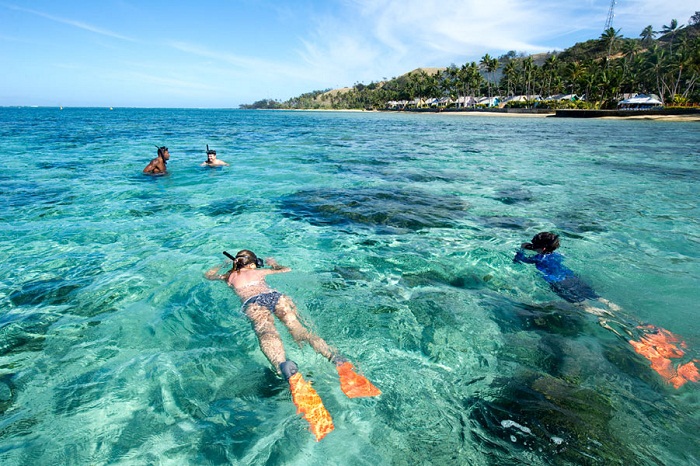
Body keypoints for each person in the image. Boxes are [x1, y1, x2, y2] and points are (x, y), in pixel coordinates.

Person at [205, 249, 380, 440]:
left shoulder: (229, 277)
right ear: (254, 263)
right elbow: (285, 269)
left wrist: (224, 265)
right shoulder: (259, 272)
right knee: (301, 331)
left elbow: (208, 275)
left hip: (253, 302)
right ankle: (336, 359)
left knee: (267, 333)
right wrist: (273, 263)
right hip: (276, 296)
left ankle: (287, 370)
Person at [514, 232, 698, 389]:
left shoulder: (539, 258)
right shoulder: (555, 255)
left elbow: (520, 260)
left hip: (560, 284)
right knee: (602, 300)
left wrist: (522, 249)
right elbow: (548, 255)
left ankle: (621, 329)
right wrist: (537, 248)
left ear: (542, 249)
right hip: (575, 279)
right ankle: (636, 321)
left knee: (588, 308)